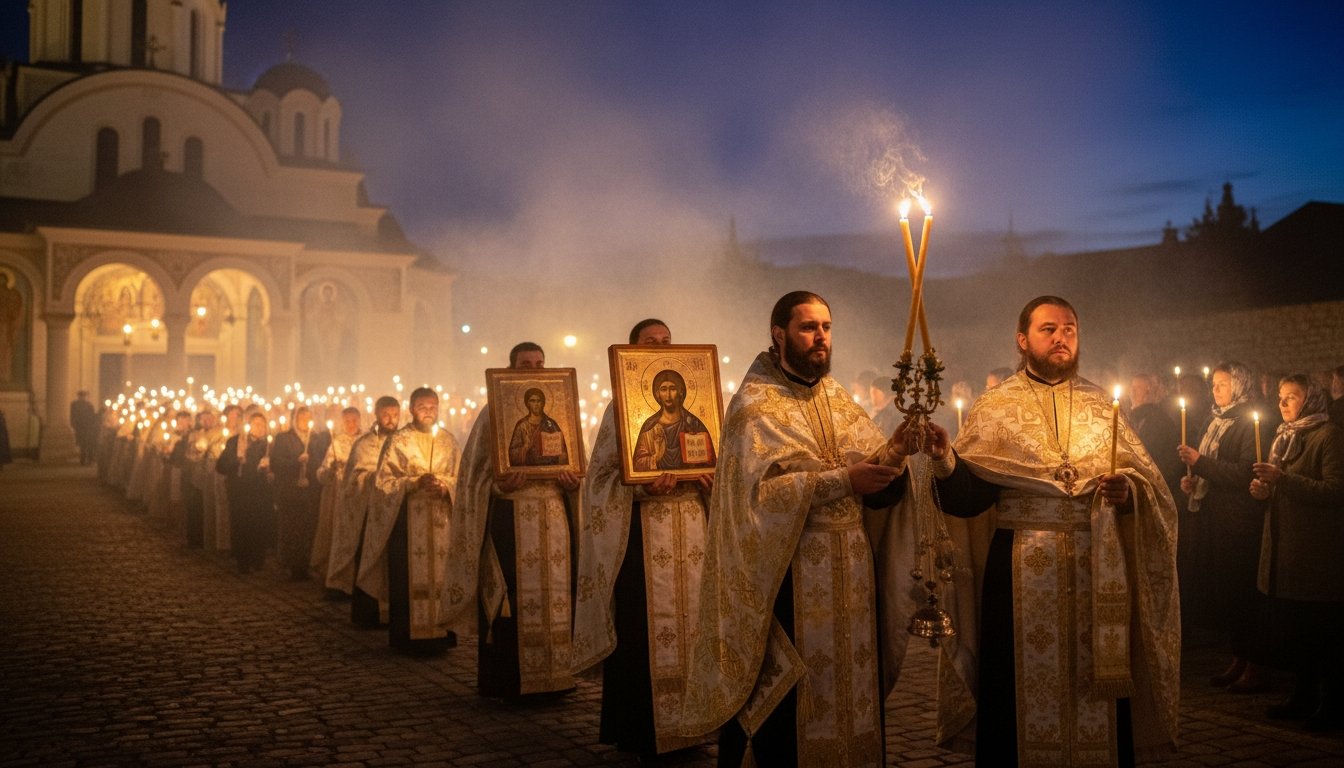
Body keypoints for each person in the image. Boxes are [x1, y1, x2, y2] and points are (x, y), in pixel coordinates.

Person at [924, 295, 1180, 767]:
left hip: (1095, 573)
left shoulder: (1103, 406)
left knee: (1096, 695)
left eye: (1070, 328)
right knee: (1016, 692)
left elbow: (1152, 490)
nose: (1061, 337)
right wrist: (944, 460)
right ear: (1022, 340)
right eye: (1048, 329)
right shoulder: (995, 407)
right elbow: (968, 498)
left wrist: (1129, 496)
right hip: (1018, 575)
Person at [681, 292, 911, 767]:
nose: (821, 337)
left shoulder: (835, 397)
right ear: (779, 334)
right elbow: (756, 498)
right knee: (797, 702)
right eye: (809, 327)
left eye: (827, 326)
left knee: (852, 686)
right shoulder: (753, 405)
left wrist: (897, 451)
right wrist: (844, 480)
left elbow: (872, 468)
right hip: (788, 572)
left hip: (851, 573)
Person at [574, 319, 713, 757]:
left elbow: (721, 463)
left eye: (667, 342)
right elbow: (599, 479)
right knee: (641, 632)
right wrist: (637, 486)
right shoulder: (622, 412)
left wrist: (712, 478)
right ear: (633, 350)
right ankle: (641, 732)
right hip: (640, 539)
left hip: (693, 531)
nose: (660, 345)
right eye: (651, 342)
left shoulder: (704, 413)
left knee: (698, 627)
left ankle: (697, 726)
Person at [444, 342, 581, 697]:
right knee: (513, 598)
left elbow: (574, 464)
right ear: (510, 368)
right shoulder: (494, 414)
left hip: (553, 516)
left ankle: (556, 677)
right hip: (511, 516)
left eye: (539, 362)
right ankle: (508, 680)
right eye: (525, 363)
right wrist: (497, 483)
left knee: (557, 595)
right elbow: (471, 476)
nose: (533, 368)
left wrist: (572, 484)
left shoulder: (561, 414)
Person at [1250, 374, 1344, 731]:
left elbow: (1335, 491)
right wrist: (1263, 491)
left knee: (1323, 632)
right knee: (1299, 632)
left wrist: (1283, 480)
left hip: (1316, 552)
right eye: (1281, 396)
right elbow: (1279, 488)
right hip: (1285, 548)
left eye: (1293, 397)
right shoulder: (1284, 437)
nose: (1284, 403)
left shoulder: (1328, 436)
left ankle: (1331, 704)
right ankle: (1302, 696)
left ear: (1312, 400)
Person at [1176, 361, 1269, 693]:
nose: (1216, 390)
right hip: (1214, 516)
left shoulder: (1248, 422)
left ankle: (1256, 663)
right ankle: (1238, 657)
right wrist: (1193, 479)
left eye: (1223, 384)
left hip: (1240, 519)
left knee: (1245, 593)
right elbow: (1209, 469)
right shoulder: (1214, 419)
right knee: (1229, 593)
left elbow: (1245, 471)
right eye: (1214, 384)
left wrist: (1201, 463)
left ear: (1240, 385)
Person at [362, 387, 458, 652]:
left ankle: (440, 636)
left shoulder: (448, 441)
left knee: (441, 577)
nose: (428, 412)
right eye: (422, 407)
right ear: (412, 409)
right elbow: (383, 483)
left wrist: (446, 486)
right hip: (407, 524)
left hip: (441, 523)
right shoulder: (399, 441)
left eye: (432, 407)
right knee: (407, 580)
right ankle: (408, 638)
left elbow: (462, 478)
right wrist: (414, 482)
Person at [328, 396, 400, 627]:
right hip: (369, 514)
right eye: (386, 415)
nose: (391, 419)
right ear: (377, 415)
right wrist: (374, 478)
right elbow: (354, 479)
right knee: (369, 564)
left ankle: (394, 614)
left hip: (396, 513)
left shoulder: (403, 441)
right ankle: (367, 616)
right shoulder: (364, 444)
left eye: (395, 414)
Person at [270, 405, 331, 580]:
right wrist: (296, 462)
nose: (305, 420)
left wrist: (311, 463)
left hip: (310, 490)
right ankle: (292, 564)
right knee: (291, 528)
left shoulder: (316, 438)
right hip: (290, 491)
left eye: (308, 416)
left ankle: (305, 564)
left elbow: (321, 461)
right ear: (295, 419)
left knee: (308, 527)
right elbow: (276, 462)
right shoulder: (284, 438)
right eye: (301, 417)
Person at [216, 411, 274, 574]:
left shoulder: (269, 444)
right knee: (243, 525)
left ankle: (257, 559)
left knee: (260, 525)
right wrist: (237, 461)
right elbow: (220, 466)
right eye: (256, 424)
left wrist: (270, 470)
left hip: (262, 492)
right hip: (241, 492)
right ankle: (243, 560)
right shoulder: (235, 443)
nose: (260, 428)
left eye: (263, 425)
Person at [312, 406, 362, 586]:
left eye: (354, 420)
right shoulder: (336, 442)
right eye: (347, 421)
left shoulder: (365, 442)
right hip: (338, 495)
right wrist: (330, 471)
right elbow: (322, 471)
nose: (351, 424)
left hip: (360, 496)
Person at [632, 369, 715, 472]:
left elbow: (710, 463)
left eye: (672, 389)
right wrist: (655, 457)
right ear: (657, 393)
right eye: (663, 389)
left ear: (680, 391)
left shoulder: (694, 424)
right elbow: (637, 464)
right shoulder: (650, 427)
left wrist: (705, 475)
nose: (668, 395)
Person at [508, 387, 569, 467]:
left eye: (538, 401)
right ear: (527, 403)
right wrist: (525, 447)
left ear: (543, 403)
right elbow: (513, 453)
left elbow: (562, 451)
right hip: (528, 472)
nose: (536, 404)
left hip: (550, 470)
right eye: (532, 401)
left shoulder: (551, 424)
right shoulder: (521, 425)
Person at [70, 391, 99, 465]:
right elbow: (72, 415)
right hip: (82, 427)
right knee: (84, 444)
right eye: (82, 396)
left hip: (85, 427)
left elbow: (92, 416)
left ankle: (85, 459)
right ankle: (84, 459)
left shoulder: (85, 405)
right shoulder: (81, 405)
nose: (83, 397)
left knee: (85, 443)